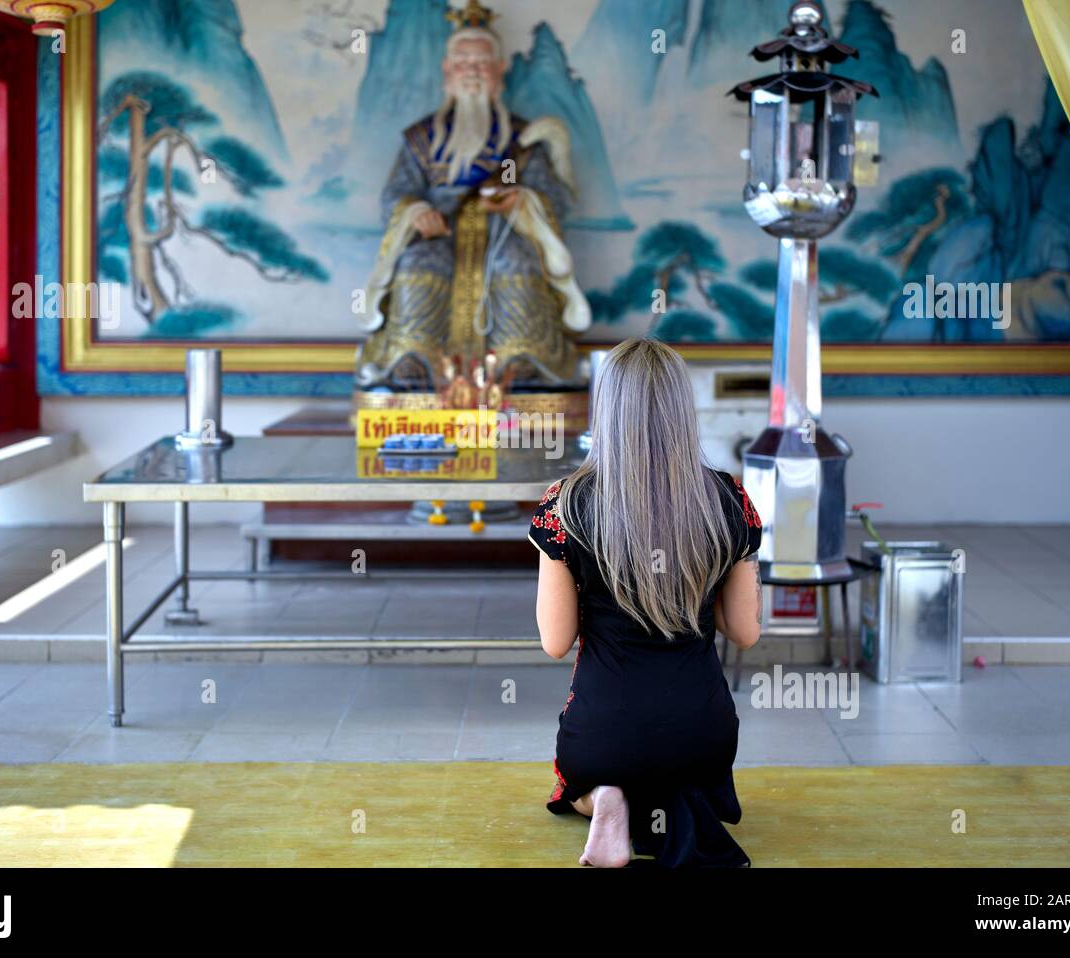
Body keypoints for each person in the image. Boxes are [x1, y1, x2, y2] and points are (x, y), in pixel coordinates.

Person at [527, 338, 763, 868]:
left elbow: (554, 641)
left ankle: (606, 798)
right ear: (683, 408)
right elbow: (743, 630)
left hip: (604, 731)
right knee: (680, 772)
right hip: (703, 731)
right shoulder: (731, 500)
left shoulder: (565, 505)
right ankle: (666, 800)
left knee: (584, 775)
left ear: (606, 408)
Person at [356, 0, 590, 392]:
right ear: (447, 72)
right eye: (463, 63)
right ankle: (413, 355)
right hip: (439, 234)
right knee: (417, 263)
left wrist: (521, 202)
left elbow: (551, 196)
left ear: (499, 73)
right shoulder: (422, 140)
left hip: (504, 231)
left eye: (482, 64)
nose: (472, 73)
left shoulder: (521, 139)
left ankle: (523, 356)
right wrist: (415, 211)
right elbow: (397, 192)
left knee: (515, 262)